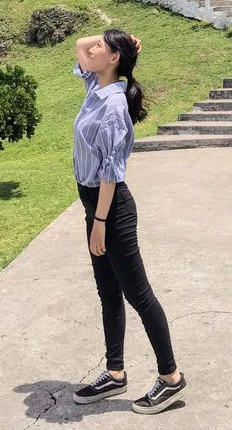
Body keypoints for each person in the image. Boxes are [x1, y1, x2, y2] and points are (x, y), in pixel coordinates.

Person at [71, 30, 187, 415]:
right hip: (95, 206)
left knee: (139, 294)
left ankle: (170, 377)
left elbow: (110, 171)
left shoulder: (114, 106)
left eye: (101, 46)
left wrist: (100, 221)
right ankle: (115, 372)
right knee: (108, 292)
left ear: (114, 58)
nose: (92, 49)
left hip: (111, 209)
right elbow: (79, 46)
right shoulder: (96, 83)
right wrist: (124, 40)